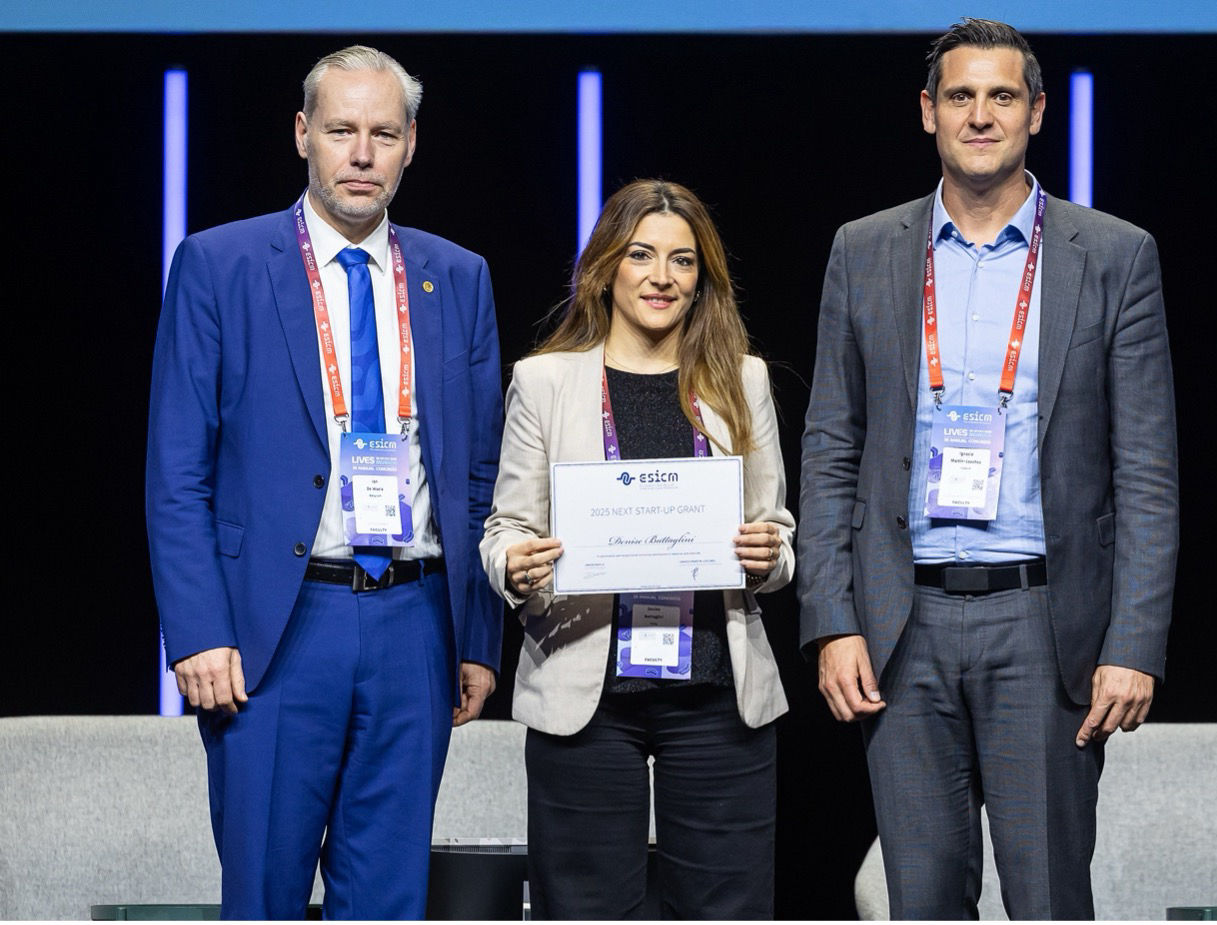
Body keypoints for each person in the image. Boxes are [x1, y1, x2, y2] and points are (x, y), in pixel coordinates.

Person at [797, 18, 1178, 920]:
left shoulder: (1114, 254)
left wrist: (1133, 643)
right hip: (902, 625)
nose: (980, 115)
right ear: (927, 111)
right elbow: (830, 447)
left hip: (1045, 625)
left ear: (1036, 112)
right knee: (922, 901)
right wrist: (831, 620)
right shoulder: (864, 249)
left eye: (1002, 96)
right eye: (960, 96)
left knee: (1048, 899)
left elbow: (1148, 470)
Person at [145, 45, 503, 919]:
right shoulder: (220, 264)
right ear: (303, 134)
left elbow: (479, 475)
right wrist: (198, 630)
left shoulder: (457, 276)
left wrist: (477, 636)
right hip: (275, 627)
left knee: (388, 898)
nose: (362, 154)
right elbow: (177, 470)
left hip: (416, 621)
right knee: (263, 894)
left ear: (411, 143)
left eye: (384, 133)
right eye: (342, 131)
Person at [480, 179, 794, 919]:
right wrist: (514, 566)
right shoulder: (545, 382)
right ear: (605, 268)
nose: (662, 276)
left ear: (701, 277)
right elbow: (505, 529)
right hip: (587, 698)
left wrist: (768, 556)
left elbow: (777, 532)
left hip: (717, 693)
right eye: (641, 255)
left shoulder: (742, 378)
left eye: (682, 260)